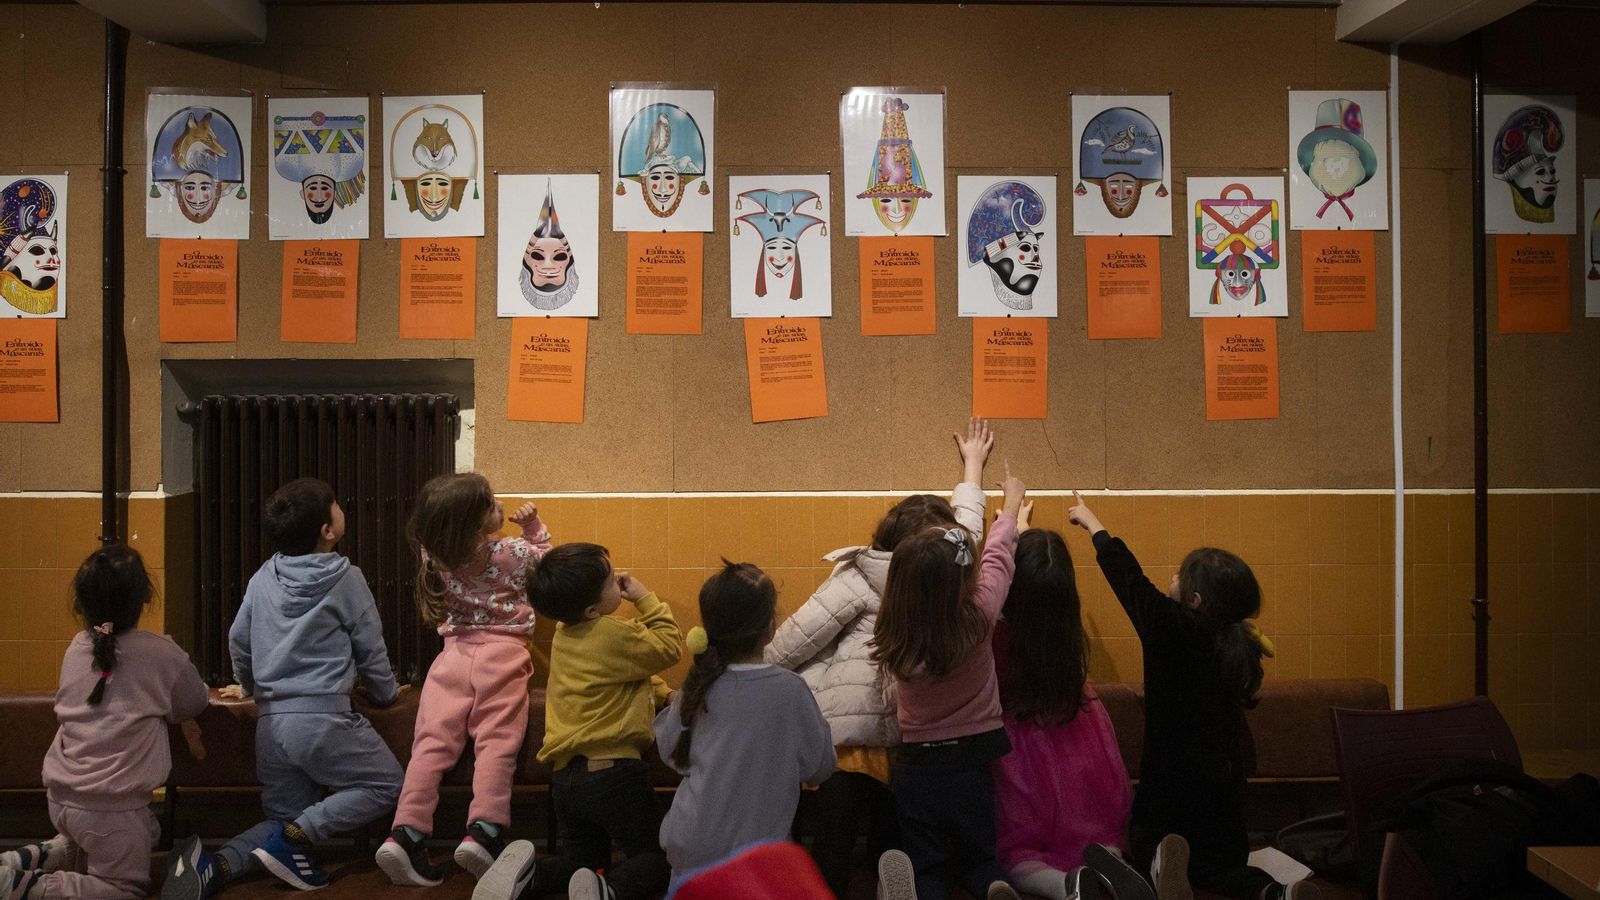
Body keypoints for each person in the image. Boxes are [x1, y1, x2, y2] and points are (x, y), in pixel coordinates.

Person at [765, 419, 992, 898]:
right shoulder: (948, 572)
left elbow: (791, 643)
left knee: (834, 851)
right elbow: (970, 529)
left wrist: (743, 676)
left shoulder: (859, 575)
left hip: (845, 740)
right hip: (906, 742)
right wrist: (972, 467)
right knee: (891, 856)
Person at [1067, 493, 1317, 900]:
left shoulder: (1169, 626)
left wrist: (1093, 524)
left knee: (1145, 841)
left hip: (1169, 788)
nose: (1172, 577)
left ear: (1195, 600)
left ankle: (1159, 861)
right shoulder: (1240, 642)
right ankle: (1275, 893)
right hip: (1222, 796)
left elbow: (1128, 578)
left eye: (1179, 576)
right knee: (1225, 870)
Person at [165, 477, 405, 898]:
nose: (341, 508)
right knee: (388, 785)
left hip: (271, 726)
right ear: (327, 530)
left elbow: (238, 638)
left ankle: (217, 866)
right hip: (323, 720)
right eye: (336, 505)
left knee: (280, 819)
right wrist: (386, 693)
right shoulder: (347, 578)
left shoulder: (264, 576)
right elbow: (371, 647)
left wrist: (249, 685)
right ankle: (298, 835)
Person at [0, 546, 209, 900]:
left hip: (61, 799)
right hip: (111, 810)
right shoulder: (162, 653)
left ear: (80, 605)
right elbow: (195, 701)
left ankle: (40, 855)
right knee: (124, 889)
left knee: (142, 831)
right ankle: (23, 886)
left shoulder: (76, 648)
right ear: (145, 597)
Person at [474, 543, 680, 900]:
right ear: (591, 610)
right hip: (614, 772)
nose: (620, 580)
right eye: (611, 581)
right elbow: (668, 646)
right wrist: (645, 598)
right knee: (657, 856)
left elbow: (622, 673)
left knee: (583, 863)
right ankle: (610, 891)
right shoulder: (612, 633)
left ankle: (531, 875)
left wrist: (663, 693)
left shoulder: (565, 636)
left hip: (566, 779)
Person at [378, 474, 551, 886]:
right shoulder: (511, 552)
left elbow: (439, 528)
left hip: (452, 659)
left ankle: (406, 832)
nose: (499, 505)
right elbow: (547, 563)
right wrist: (532, 526)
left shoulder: (434, 555)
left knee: (430, 744)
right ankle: (484, 831)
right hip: (503, 656)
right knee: (497, 743)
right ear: (474, 524)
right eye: (490, 503)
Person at [872, 470, 1028, 900]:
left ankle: (918, 890)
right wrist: (1010, 507)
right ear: (963, 578)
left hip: (918, 765)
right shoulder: (979, 617)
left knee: (926, 865)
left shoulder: (894, 631)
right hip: (974, 759)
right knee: (980, 856)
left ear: (897, 584)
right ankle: (994, 884)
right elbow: (997, 559)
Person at [656, 562, 836, 890]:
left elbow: (670, 752)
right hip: (759, 857)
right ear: (770, 628)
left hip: (690, 846)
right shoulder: (790, 690)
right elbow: (820, 767)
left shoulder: (697, 686)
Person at [993, 526, 1133, 900]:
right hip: (1078, 735)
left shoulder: (1001, 633)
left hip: (1019, 748)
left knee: (1017, 851)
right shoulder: (1065, 628)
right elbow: (1042, 581)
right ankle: (1109, 863)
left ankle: (1063, 886)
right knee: (1098, 830)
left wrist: (1010, 533)